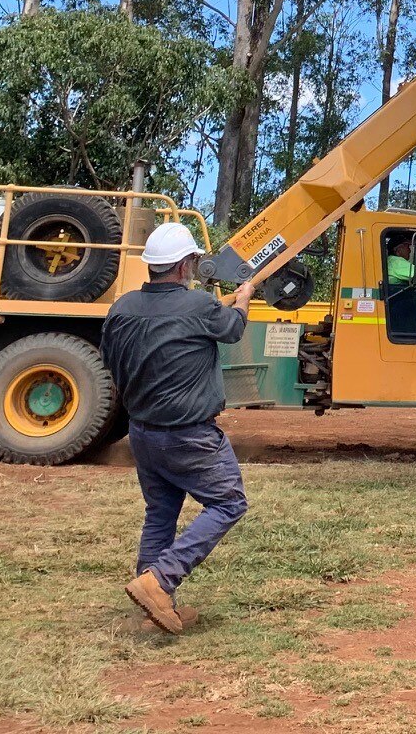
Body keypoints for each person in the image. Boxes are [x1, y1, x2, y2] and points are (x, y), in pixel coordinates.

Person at [100, 221, 254, 635]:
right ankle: (160, 580)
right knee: (228, 503)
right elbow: (234, 329)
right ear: (187, 266)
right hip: (189, 434)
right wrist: (243, 300)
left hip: (144, 433)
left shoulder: (122, 308)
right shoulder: (200, 307)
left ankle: (152, 606)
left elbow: (111, 365)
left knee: (161, 513)